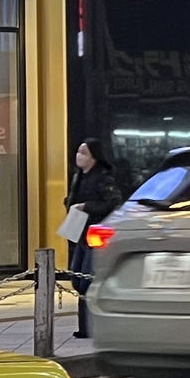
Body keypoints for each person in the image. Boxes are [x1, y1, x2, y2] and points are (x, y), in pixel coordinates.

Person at [65, 140, 126, 336]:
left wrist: (87, 206)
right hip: (79, 234)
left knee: (87, 280)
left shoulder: (103, 178)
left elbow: (114, 203)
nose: (79, 156)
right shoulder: (78, 176)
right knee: (77, 278)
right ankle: (84, 327)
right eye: (78, 151)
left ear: (94, 156)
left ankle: (90, 326)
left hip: (95, 235)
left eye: (84, 152)